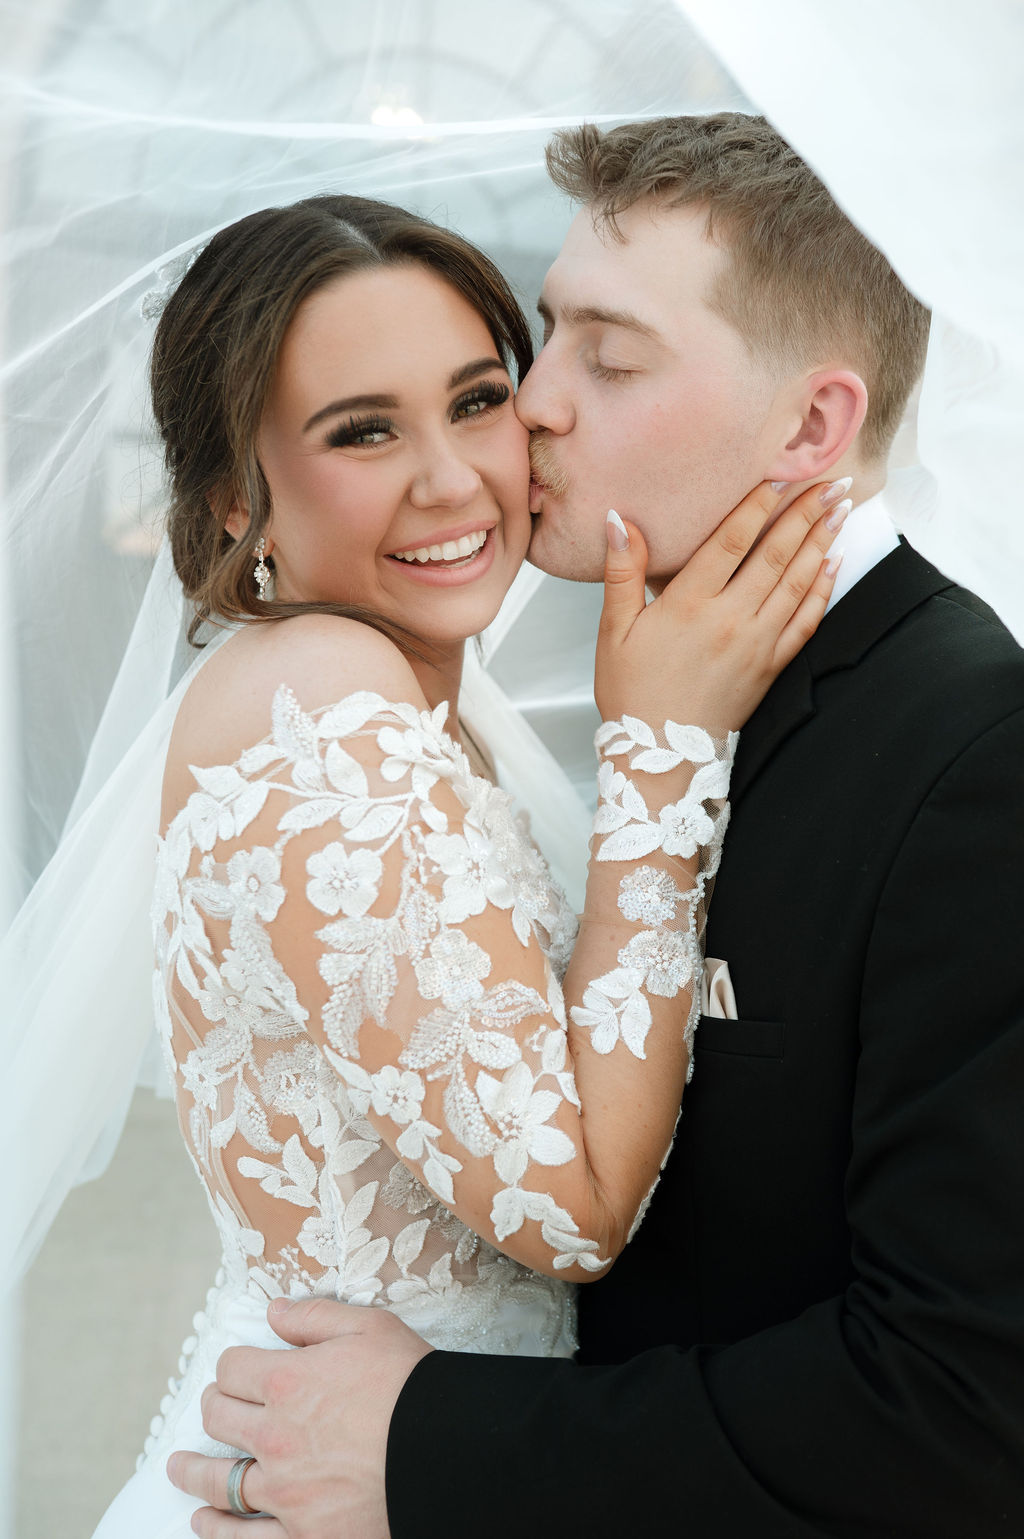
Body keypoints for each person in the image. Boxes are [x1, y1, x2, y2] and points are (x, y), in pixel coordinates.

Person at [171, 116, 1024, 1538]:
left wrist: (433, 1447)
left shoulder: (974, 756)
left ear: (813, 428)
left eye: (609, 359)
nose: (533, 407)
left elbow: (960, 1406)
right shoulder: (553, 692)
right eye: (547, 331)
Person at [80, 187, 839, 1537]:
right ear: (236, 499)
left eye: (478, 401)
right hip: (335, 1486)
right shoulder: (324, 703)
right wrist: (663, 750)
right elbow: (572, 1207)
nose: (451, 480)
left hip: (428, 1465)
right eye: (363, 431)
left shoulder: (414, 696)